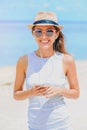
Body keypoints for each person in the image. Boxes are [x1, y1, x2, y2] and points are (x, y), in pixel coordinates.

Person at [14, 11, 79, 130]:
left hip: (61, 125)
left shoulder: (67, 60)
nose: (44, 37)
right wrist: (31, 92)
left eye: (49, 31)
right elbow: (16, 95)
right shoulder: (24, 61)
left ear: (56, 34)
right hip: (34, 126)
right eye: (39, 32)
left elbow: (75, 93)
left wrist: (59, 90)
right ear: (33, 34)